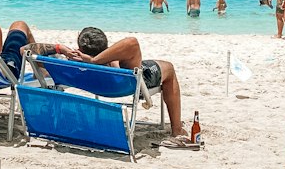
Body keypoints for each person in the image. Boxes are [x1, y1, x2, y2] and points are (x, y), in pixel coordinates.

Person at [55, 26, 192, 146]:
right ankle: (177, 129)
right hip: (128, 84)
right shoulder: (105, 63)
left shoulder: (71, 63)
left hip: (97, 84)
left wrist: (60, 48)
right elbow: (132, 42)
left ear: (80, 49)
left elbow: (34, 49)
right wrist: (94, 60)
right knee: (169, 68)